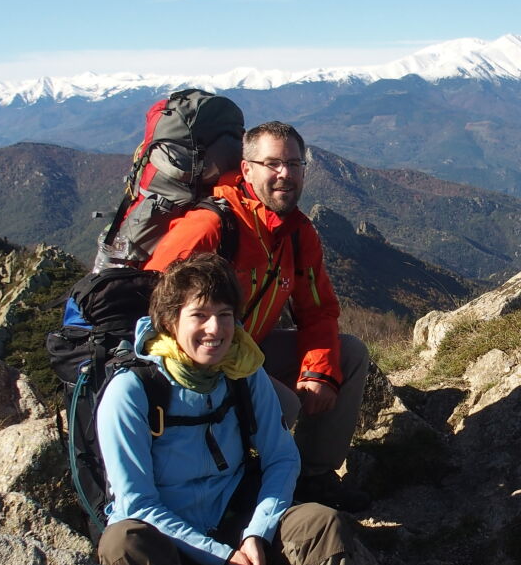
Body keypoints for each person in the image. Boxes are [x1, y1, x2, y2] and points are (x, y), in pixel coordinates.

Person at [95, 253, 411, 565]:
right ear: (169, 321)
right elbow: (136, 503)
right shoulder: (132, 391)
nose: (215, 330)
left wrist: (254, 535)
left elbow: (283, 460)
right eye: (199, 316)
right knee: (121, 544)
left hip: (236, 521)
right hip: (170, 538)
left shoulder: (243, 371)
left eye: (225, 315)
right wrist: (222, 560)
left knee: (319, 522)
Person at [147, 120, 368, 511]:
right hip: (194, 360)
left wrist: (319, 372)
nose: (285, 174)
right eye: (273, 164)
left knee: (347, 356)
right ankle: (244, 488)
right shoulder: (213, 226)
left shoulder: (296, 233)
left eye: (295, 164)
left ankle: (312, 477)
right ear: (247, 169)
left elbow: (318, 310)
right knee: (283, 403)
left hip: (249, 344)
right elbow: (150, 304)